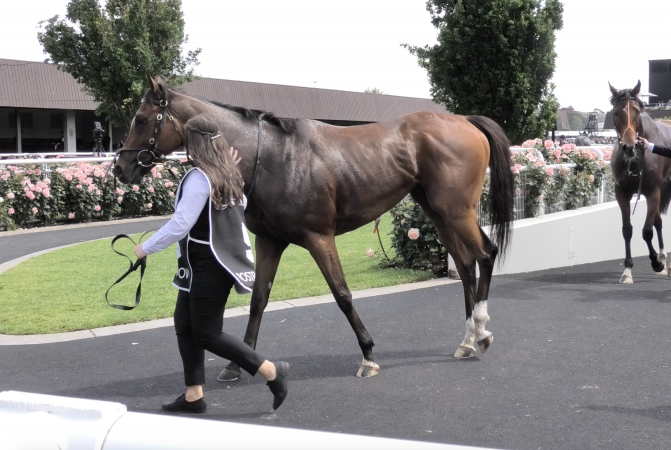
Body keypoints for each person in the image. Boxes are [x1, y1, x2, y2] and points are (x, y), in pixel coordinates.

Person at [134, 114, 289, 414]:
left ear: (192, 143)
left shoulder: (199, 177)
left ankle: (271, 371)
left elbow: (181, 224)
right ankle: (193, 395)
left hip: (208, 263)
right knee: (185, 325)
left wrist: (146, 248)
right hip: (204, 263)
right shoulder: (229, 173)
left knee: (207, 333)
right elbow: (239, 207)